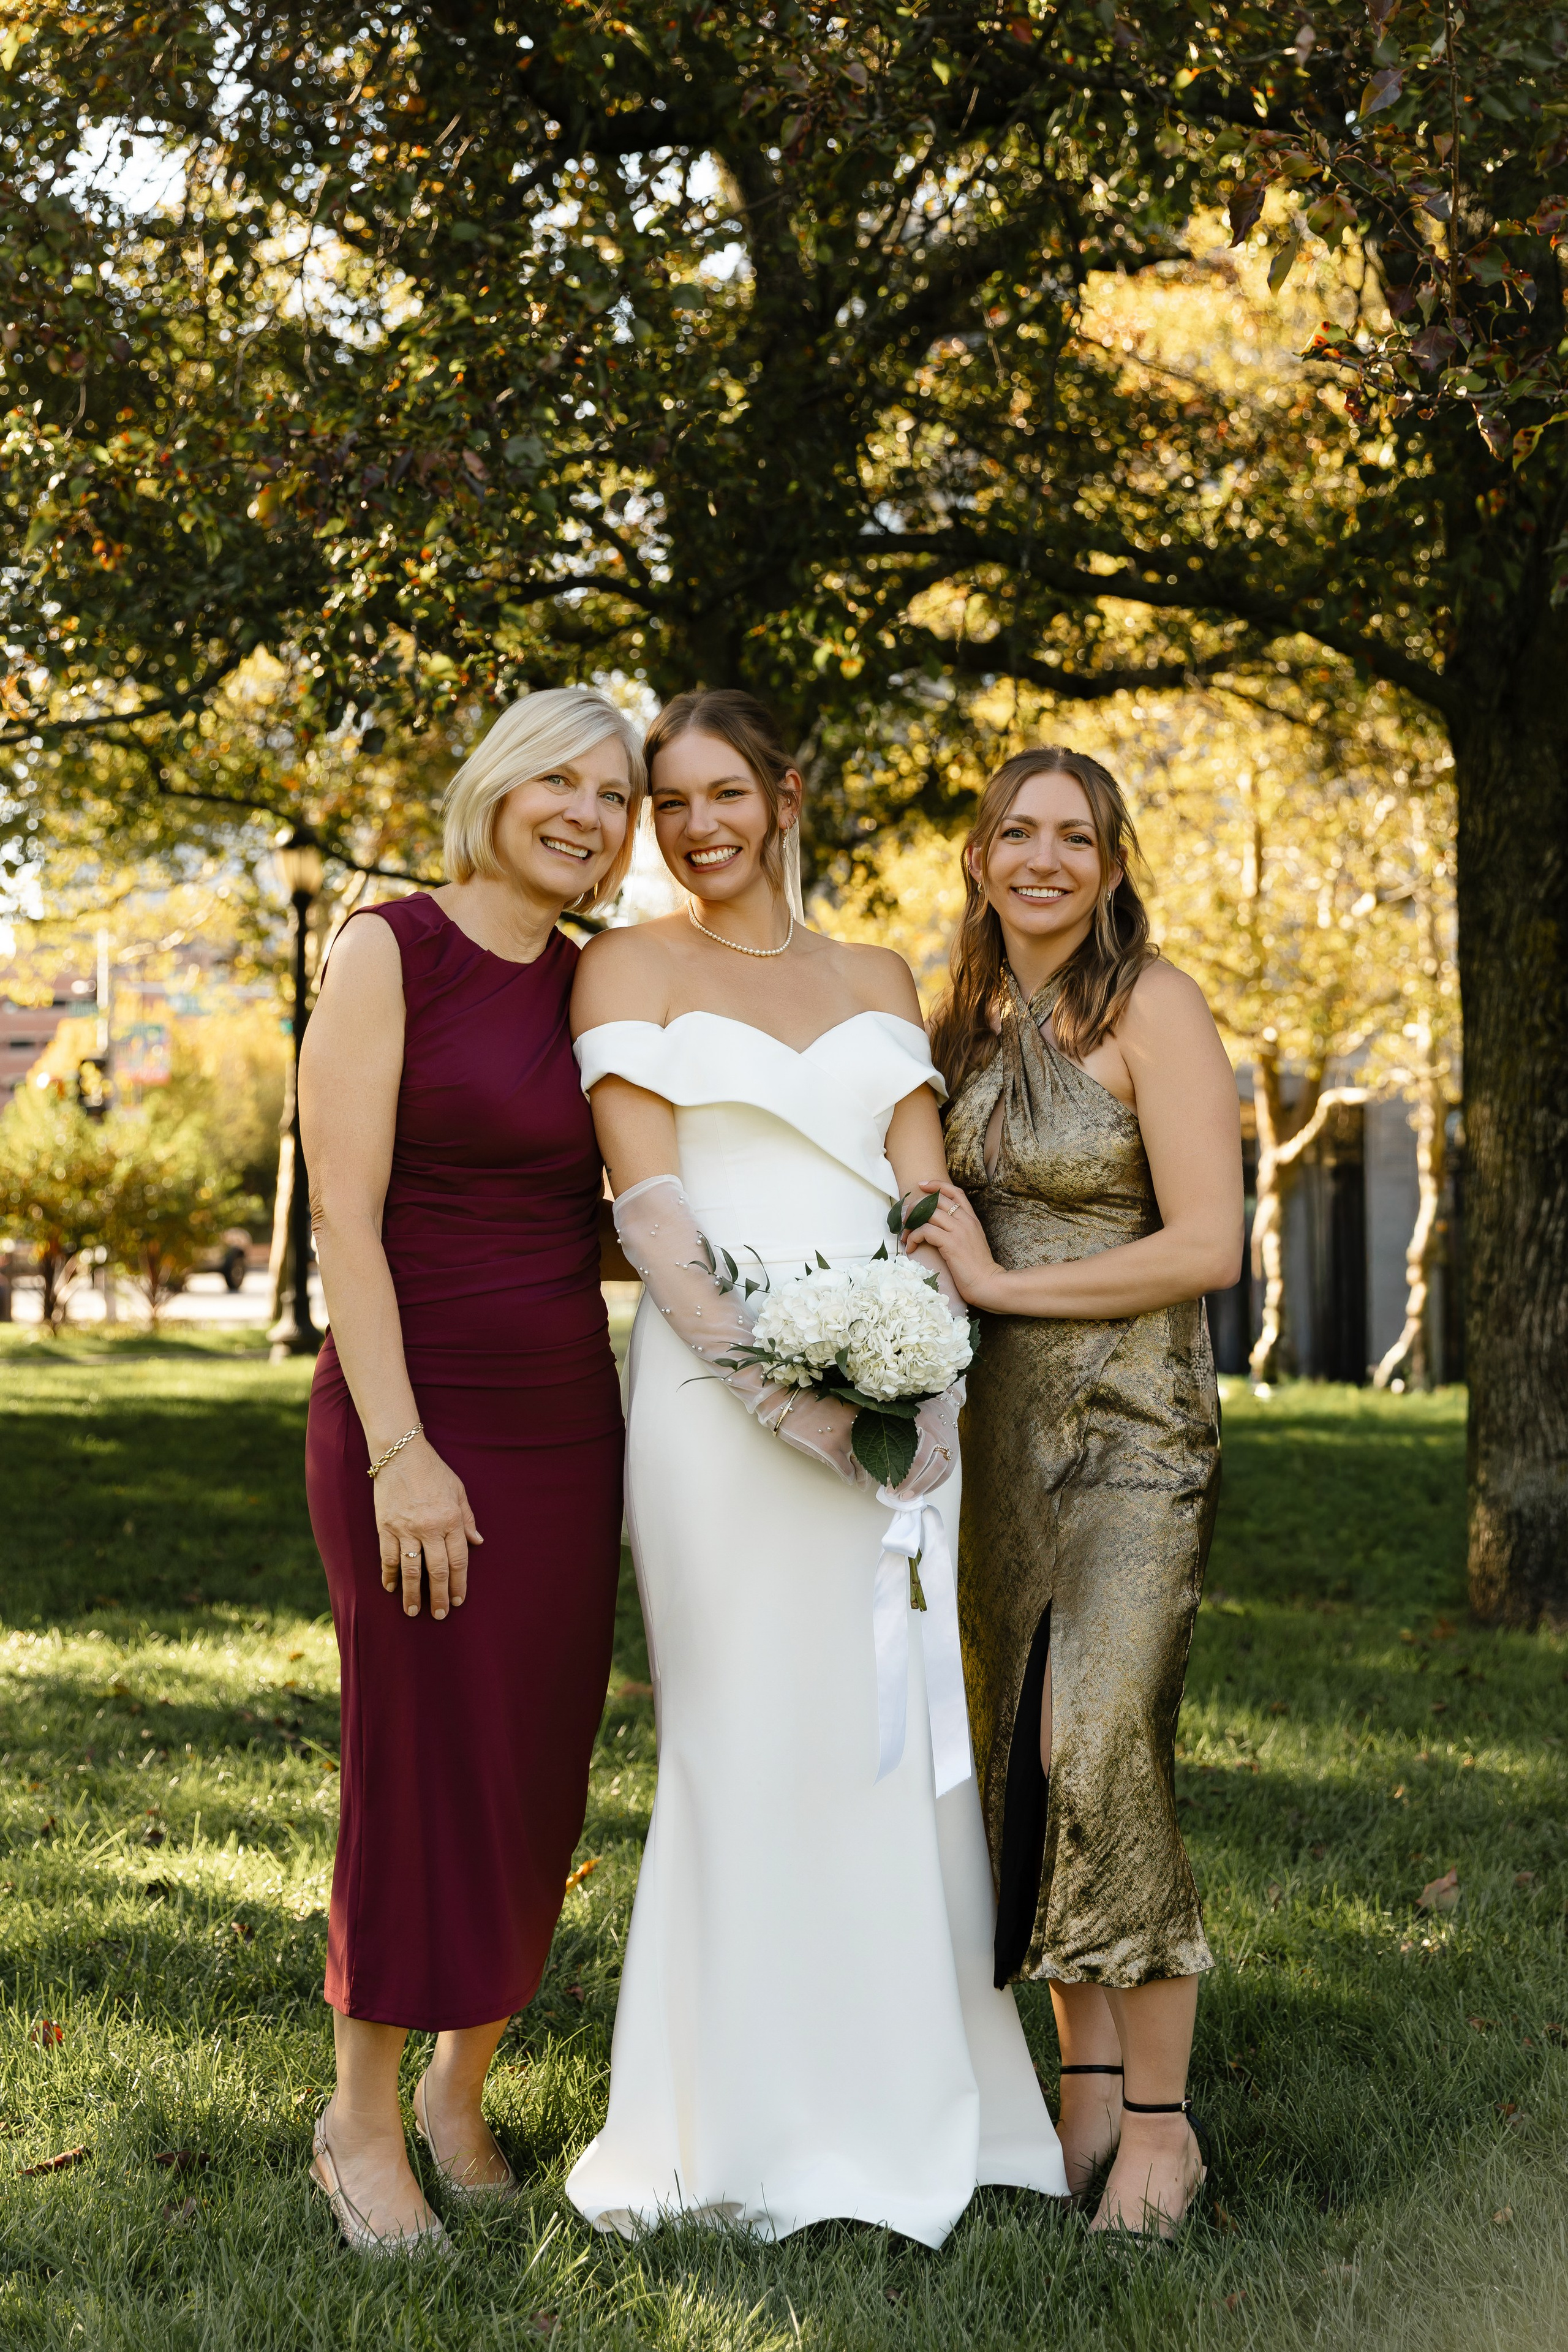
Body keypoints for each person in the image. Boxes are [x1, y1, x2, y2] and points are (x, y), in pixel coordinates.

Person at [564, 689, 1067, 2246]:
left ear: (786, 795)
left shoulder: (877, 974)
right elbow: (649, 1212)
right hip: (722, 1415)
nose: (695, 826)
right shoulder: (626, 963)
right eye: (669, 803)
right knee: (745, 1731)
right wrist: (791, 1399)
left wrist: (922, 1375)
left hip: (907, 1404)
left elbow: (924, 1198)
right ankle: (734, 2126)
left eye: (724, 793)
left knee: (887, 1736)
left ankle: (926, 2107)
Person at [298, 687, 644, 2255]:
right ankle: (357, 2122)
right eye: (562, 780)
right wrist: (400, 1451)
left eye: (617, 795)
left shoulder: (592, 989)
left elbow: (636, 1207)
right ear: (498, 788)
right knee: (422, 1760)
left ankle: (458, 2092)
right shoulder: (390, 948)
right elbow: (341, 1225)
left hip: (568, 1417)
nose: (589, 811)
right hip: (410, 1412)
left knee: (530, 1768)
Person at [919, 747, 1243, 2244]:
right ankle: (1085, 2093)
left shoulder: (1149, 1006)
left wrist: (993, 1278)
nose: (1041, 858)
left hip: (1132, 1427)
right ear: (978, 856)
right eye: (1014, 833)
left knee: (1096, 1734)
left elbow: (1206, 1248)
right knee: (1024, 1757)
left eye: (1074, 836)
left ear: (1111, 864)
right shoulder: (960, 1022)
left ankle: (1166, 2134)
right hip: (998, 1443)